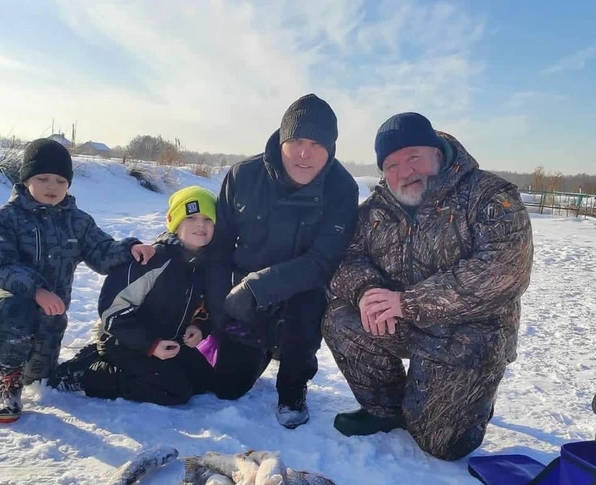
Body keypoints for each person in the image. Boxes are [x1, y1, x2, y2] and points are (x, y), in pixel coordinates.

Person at [322, 112, 534, 460]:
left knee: (443, 445)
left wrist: (406, 302)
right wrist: (367, 292)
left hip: (469, 334)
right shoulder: (375, 209)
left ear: (437, 151)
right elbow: (346, 258)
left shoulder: (490, 196)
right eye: (391, 165)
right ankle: (385, 410)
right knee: (340, 318)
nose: (404, 172)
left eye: (413, 157)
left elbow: (504, 271)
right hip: (404, 323)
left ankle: (464, 404)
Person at [207, 93, 359, 429]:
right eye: (297, 140)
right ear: (282, 140)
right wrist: (221, 310)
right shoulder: (242, 176)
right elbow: (217, 249)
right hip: (244, 295)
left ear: (331, 149)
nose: (305, 153)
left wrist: (258, 287)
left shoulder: (343, 188)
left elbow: (323, 261)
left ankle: (293, 384)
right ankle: (260, 345)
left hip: (301, 289)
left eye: (317, 144)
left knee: (309, 304)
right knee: (227, 387)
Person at [0, 138, 154, 423]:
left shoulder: (78, 221)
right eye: (43, 179)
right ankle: (6, 380)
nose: (52, 187)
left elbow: (101, 251)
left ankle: (35, 371)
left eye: (60, 181)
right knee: (13, 308)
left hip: (53, 311)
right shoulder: (5, 218)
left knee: (39, 378)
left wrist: (130, 248)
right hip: (12, 295)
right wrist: (37, 290)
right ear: (26, 179)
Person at [47, 186, 217, 407]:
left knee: (203, 380)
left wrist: (198, 326)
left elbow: (204, 306)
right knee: (176, 392)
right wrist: (151, 345)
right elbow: (112, 310)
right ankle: (86, 373)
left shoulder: (202, 266)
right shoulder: (154, 260)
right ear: (174, 222)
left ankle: (109, 360)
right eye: (191, 217)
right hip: (124, 341)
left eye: (207, 219)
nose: (200, 225)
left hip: (166, 340)